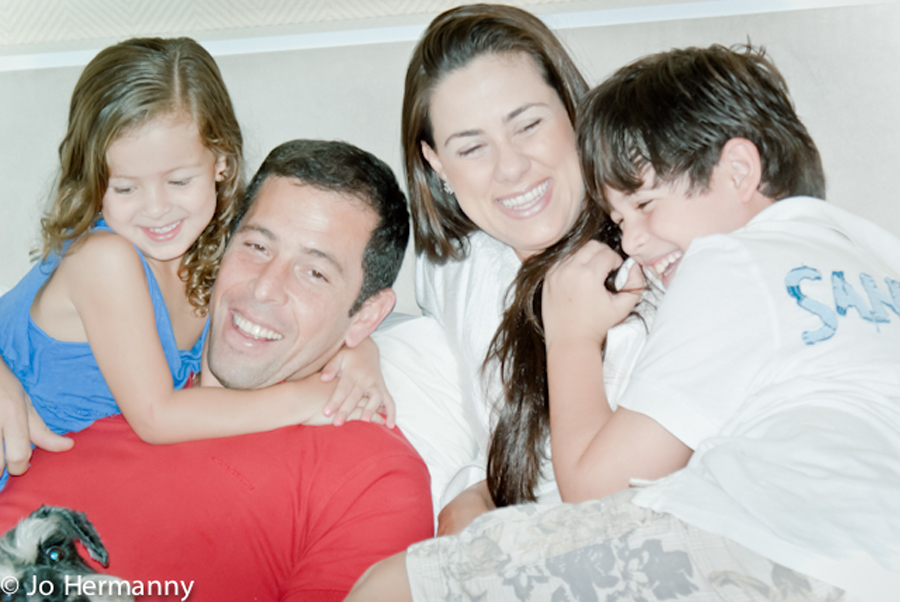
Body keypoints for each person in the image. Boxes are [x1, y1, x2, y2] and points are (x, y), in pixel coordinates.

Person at [347, 44, 900, 601]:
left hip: (771, 548)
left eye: (645, 204)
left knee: (390, 587)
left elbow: (595, 487)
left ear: (739, 171)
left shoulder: (724, 264)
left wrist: (572, 335)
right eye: (618, 217)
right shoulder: (878, 255)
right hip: (867, 557)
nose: (632, 239)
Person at [0, 139, 433, 601]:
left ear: (366, 315)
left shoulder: (372, 475)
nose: (264, 288)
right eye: (257, 246)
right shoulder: (104, 356)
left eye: (315, 273)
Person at [0, 38, 393, 488]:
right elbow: (157, 416)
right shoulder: (104, 260)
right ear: (94, 180)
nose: (156, 209)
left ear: (220, 161)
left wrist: (359, 350)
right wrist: (308, 399)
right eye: (126, 188)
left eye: (179, 181)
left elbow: (291, 323)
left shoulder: (218, 254)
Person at [402, 3, 651, 529]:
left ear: (572, 109)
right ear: (436, 164)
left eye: (529, 124)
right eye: (472, 148)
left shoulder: (654, 250)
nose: (511, 167)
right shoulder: (449, 268)